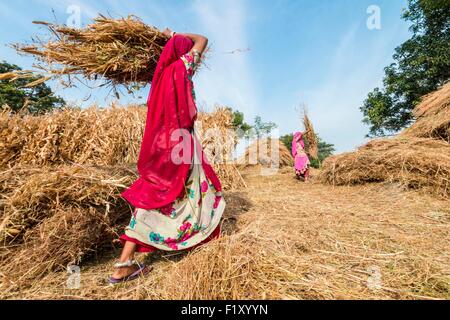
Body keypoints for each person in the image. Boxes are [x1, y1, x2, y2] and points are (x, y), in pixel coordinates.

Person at [109, 29, 226, 284]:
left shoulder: (160, 78)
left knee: (154, 195)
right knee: (201, 191)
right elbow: (203, 39)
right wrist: (173, 33)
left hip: (159, 146)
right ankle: (202, 240)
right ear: (182, 53)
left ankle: (123, 263)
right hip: (181, 145)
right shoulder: (181, 69)